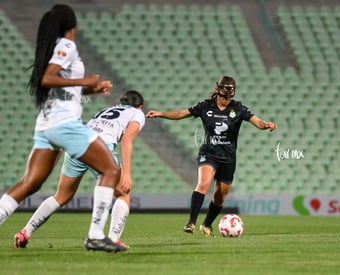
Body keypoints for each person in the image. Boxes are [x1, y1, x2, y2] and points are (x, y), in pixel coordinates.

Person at [0, 4, 123, 252]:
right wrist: (84, 80)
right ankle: (96, 235)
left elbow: (59, 85)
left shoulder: (54, 47)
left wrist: (91, 89)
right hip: (64, 124)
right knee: (110, 169)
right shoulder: (67, 45)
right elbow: (48, 77)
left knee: (29, 183)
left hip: (46, 125)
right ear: (72, 25)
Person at [14, 90, 146, 251]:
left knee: (61, 196)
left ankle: (25, 232)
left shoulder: (105, 110)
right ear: (140, 106)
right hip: (99, 148)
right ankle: (113, 239)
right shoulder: (137, 114)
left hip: (78, 146)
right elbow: (126, 140)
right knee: (123, 194)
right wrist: (126, 174)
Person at [146, 76, 276, 237]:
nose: (227, 99)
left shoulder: (239, 108)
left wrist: (267, 125)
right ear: (218, 91)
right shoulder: (205, 106)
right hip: (209, 153)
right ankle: (191, 222)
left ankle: (206, 225)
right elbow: (181, 113)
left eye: (230, 94)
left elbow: (257, 122)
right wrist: (160, 114)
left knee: (220, 196)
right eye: (224, 95)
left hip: (228, 157)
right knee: (203, 183)